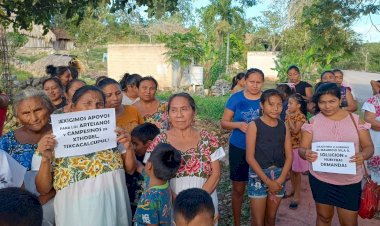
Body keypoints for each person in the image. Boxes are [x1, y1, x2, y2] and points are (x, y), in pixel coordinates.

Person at [35, 85, 132, 226]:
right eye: (87, 103)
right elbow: (43, 189)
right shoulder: (53, 140)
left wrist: (129, 148)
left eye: (99, 104)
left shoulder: (115, 135)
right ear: (72, 107)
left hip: (114, 206)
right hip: (76, 212)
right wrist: (45, 159)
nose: (94, 108)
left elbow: (129, 169)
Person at [300, 83, 374, 226]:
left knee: (349, 222)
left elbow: (369, 147)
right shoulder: (312, 122)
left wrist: (363, 155)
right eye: (322, 102)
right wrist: (306, 153)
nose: (327, 106)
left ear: (340, 100)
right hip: (320, 179)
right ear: (317, 102)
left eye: (332, 101)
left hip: (349, 182)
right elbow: (302, 149)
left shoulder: (356, 121)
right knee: (324, 217)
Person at [145, 92, 225, 219]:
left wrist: (198, 202)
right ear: (168, 114)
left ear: (194, 112)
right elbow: (152, 174)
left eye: (184, 109)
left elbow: (215, 174)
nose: (179, 115)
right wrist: (179, 203)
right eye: (174, 110)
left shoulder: (208, 138)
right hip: (172, 204)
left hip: (204, 202)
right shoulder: (160, 140)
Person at [0, 88, 56, 225]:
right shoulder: (6, 142)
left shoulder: (62, 134)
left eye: (38, 110)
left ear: (48, 108)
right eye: (26, 113)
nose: (34, 118)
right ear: (18, 117)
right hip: (20, 209)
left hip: (57, 200)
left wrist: (48, 196)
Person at [220, 68, 263, 226]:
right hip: (239, 147)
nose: (255, 85)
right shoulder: (236, 98)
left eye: (258, 82)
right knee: (238, 188)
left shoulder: (266, 99)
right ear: (244, 80)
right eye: (251, 82)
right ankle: (237, 222)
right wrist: (238, 125)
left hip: (261, 149)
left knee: (259, 189)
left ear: (263, 83)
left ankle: (257, 221)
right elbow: (224, 122)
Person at [246, 89, 292, 226]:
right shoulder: (254, 125)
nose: (276, 108)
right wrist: (267, 181)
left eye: (279, 105)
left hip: (279, 175)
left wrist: (280, 180)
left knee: (271, 218)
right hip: (258, 175)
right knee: (258, 221)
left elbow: (289, 156)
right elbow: (250, 157)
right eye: (271, 104)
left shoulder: (284, 126)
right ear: (262, 105)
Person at [131, 143, 181, 226]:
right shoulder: (164, 183)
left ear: (149, 165)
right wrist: (129, 148)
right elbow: (138, 165)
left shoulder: (149, 200)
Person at [127, 123, 160, 215]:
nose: (133, 147)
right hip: (132, 207)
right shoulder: (134, 156)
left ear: (149, 144)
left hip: (149, 209)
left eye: (135, 144)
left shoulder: (158, 161)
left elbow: (159, 182)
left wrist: (141, 168)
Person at [285, 93, 308, 209]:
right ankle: (293, 190)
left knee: (296, 172)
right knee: (291, 170)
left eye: (290, 103)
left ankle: (297, 195)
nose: (288, 106)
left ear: (298, 105)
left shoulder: (301, 117)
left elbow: (295, 130)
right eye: (288, 103)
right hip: (288, 146)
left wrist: (288, 117)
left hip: (297, 147)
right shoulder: (290, 114)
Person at [362, 85, 380, 217]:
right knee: (373, 176)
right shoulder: (373, 101)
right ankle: (372, 204)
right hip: (376, 142)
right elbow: (370, 120)